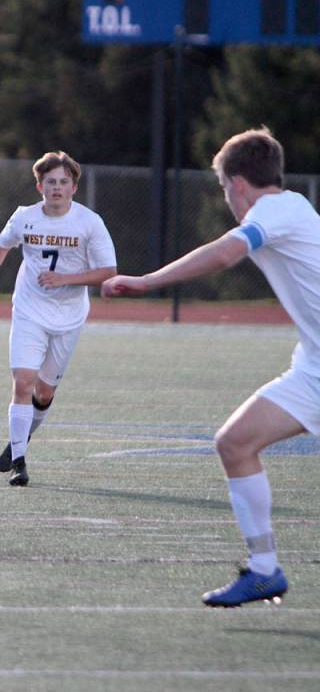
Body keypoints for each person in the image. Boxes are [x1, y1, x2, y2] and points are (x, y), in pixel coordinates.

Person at [103, 127, 317, 607]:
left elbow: (223, 254)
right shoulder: (288, 210)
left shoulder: (277, 209)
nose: (227, 199)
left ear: (237, 184)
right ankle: (264, 570)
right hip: (314, 367)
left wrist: (147, 281)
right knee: (235, 443)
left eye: (224, 189)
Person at [0, 151, 117, 487]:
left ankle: (17, 441)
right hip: (29, 310)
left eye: (63, 182)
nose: (57, 187)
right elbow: (1, 245)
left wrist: (65, 280)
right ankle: (20, 463)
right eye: (50, 182)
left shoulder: (89, 223)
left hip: (69, 317)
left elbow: (108, 272)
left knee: (43, 393)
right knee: (23, 382)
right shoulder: (25, 217)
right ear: (40, 186)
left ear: (74, 187)